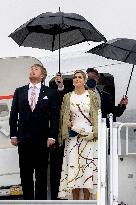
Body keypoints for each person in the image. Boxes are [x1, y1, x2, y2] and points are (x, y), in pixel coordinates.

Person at [9, 64, 59, 200]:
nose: (32, 71)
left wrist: (52, 136)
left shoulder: (50, 93)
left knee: (41, 174)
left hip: (42, 140)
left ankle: (41, 202)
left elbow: (54, 117)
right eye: (31, 69)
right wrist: (13, 134)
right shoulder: (19, 91)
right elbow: (13, 115)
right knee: (25, 174)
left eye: (35, 69)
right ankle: (28, 202)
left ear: (42, 75)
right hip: (23, 139)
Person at [58, 70, 99, 200]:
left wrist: (94, 133)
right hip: (73, 137)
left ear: (85, 80)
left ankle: (87, 202)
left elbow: (97, 116)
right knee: (74, 171)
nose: (77, 79)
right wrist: (67, 123)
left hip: (89, 137)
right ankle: (75, 202)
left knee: (87, 171)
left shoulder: (92, 95)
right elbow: (63, 115)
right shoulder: (67, 96)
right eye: (75, 77)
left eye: (80, 77)